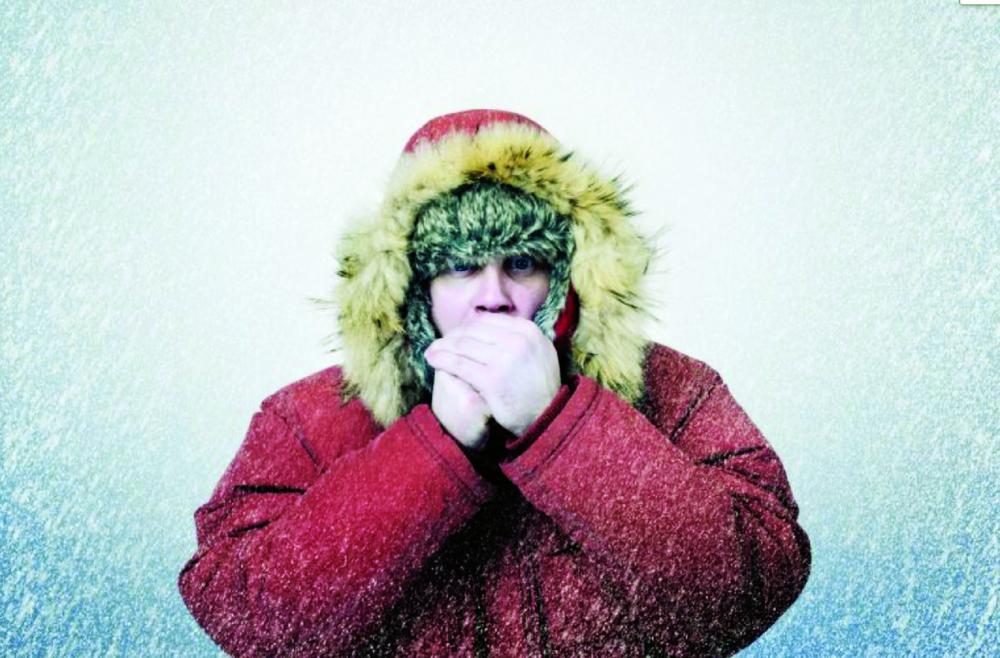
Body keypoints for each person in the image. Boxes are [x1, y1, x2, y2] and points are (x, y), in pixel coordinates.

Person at [178, 109, 811, 658]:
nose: (494, 298)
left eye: (522, 263)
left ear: (569, 274)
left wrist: (560, 427)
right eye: (459, 267)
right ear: (412, 286)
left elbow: (752, 586)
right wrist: (436, 449)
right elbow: (248, 618)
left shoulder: (674, 393)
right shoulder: (311, 418)